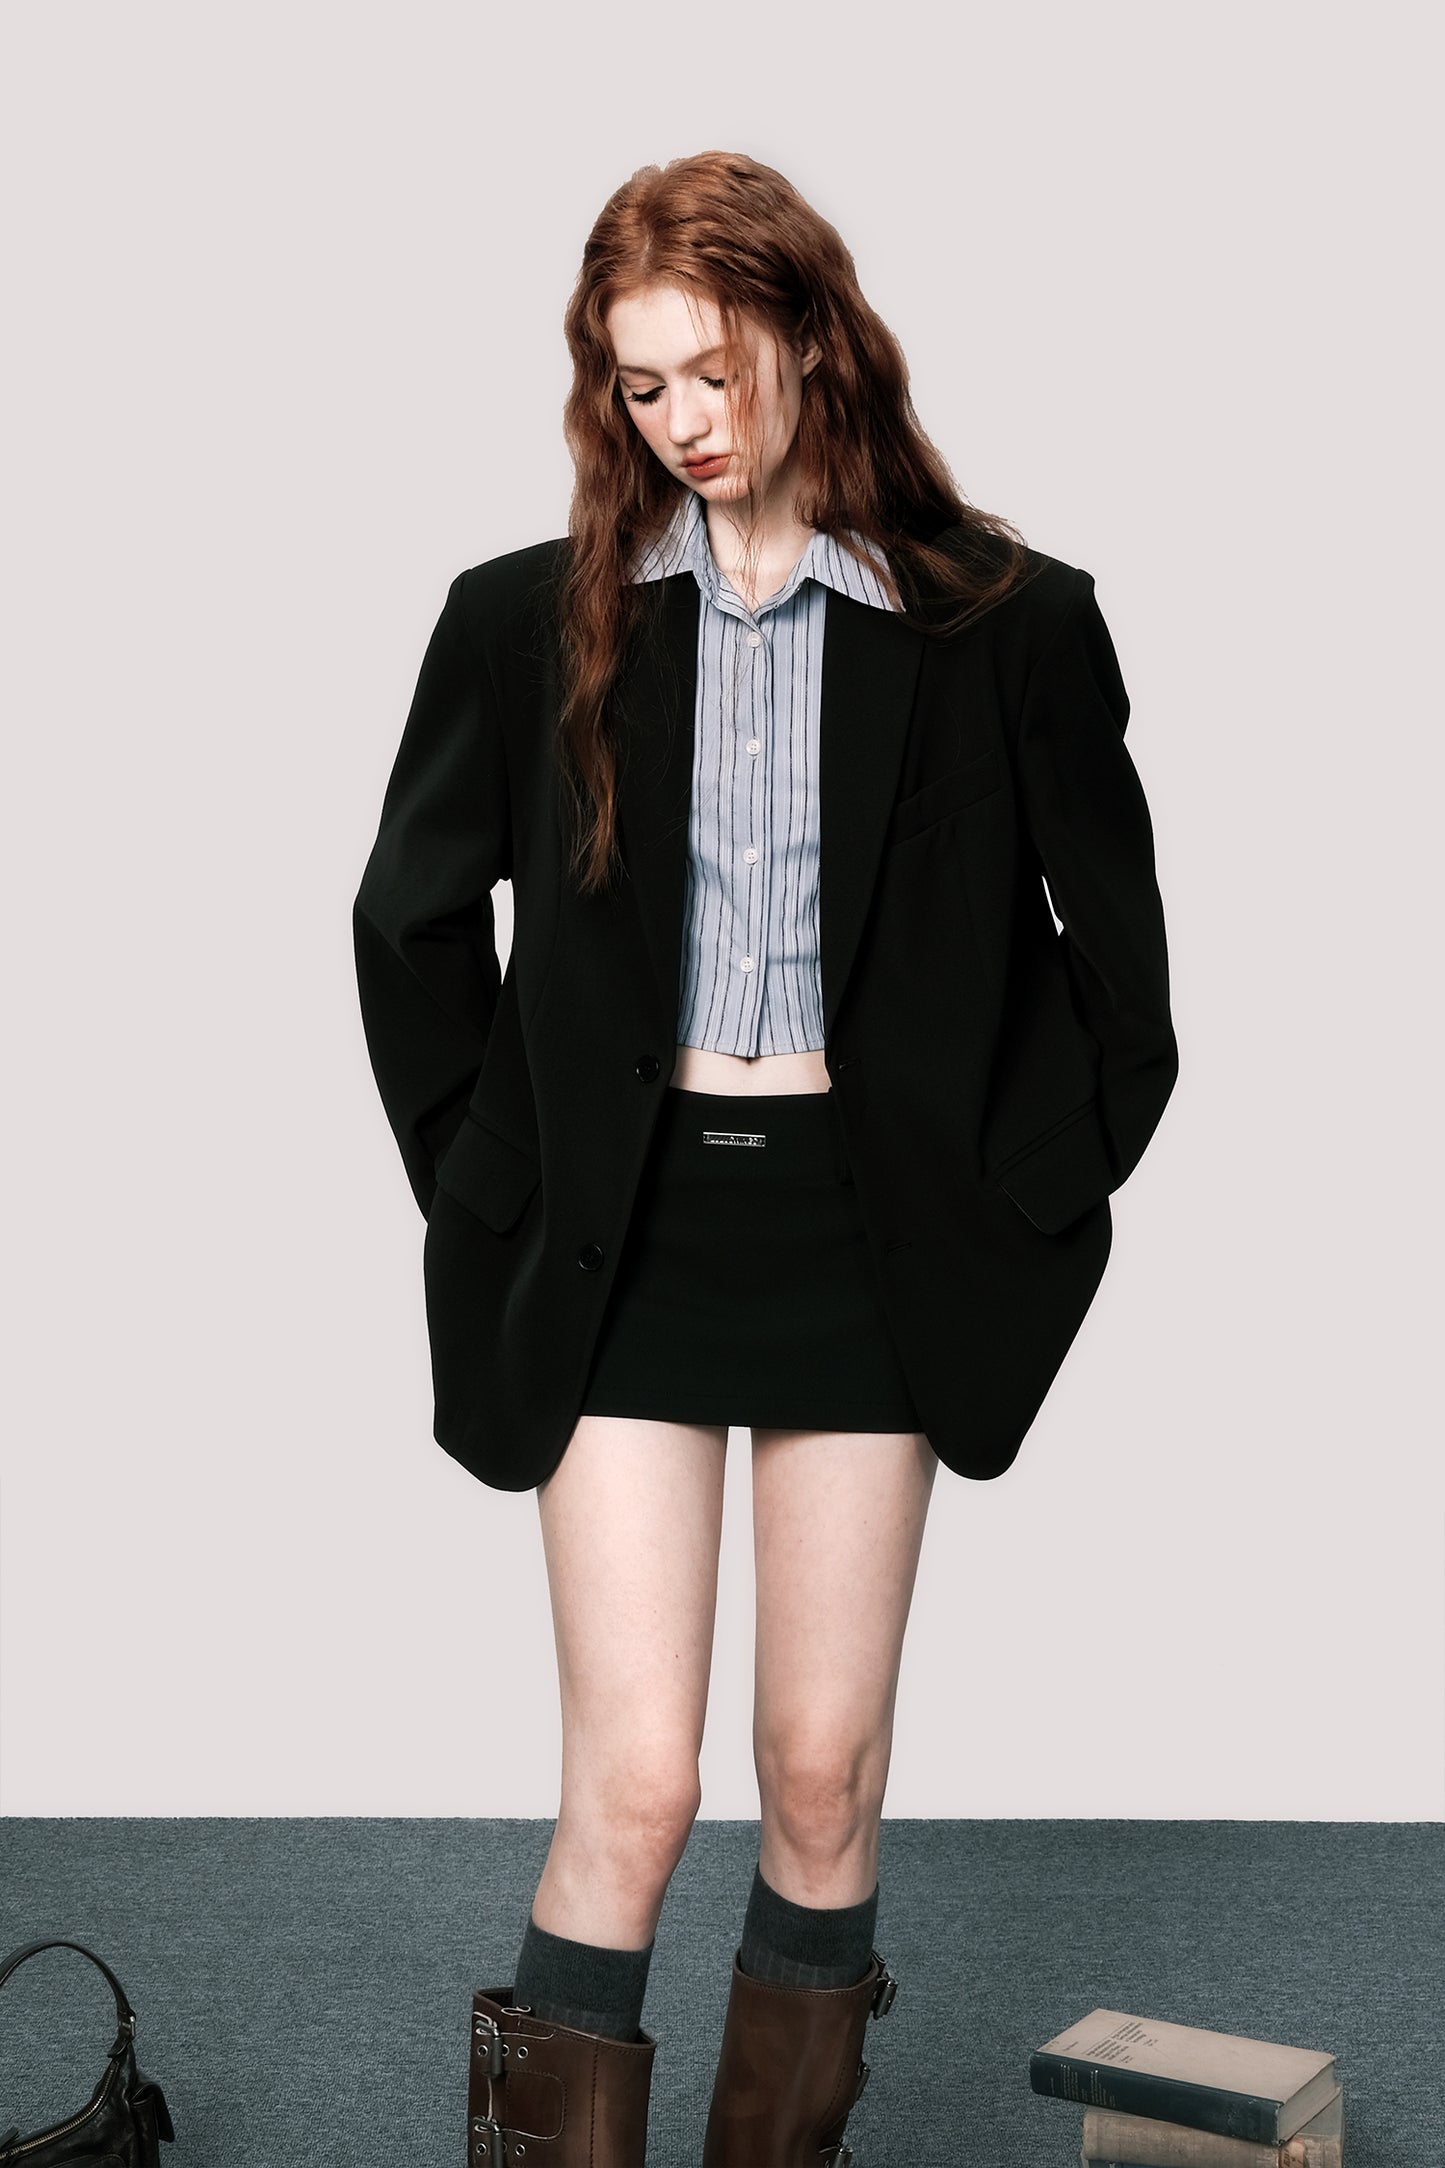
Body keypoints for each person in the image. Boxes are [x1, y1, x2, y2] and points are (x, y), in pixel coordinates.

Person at [352, 149, 1178, 2168]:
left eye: (713, 372)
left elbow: (1119, 976)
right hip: (619, 1240)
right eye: (640, 387)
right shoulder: (521, 621)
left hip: (866, 1241)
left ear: (813, 336)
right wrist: (490, 1182)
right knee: (634, 1784)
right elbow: (407, 923)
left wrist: (1021, 1198)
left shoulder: (1008, 625)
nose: (682, 424)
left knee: (820, 1772)